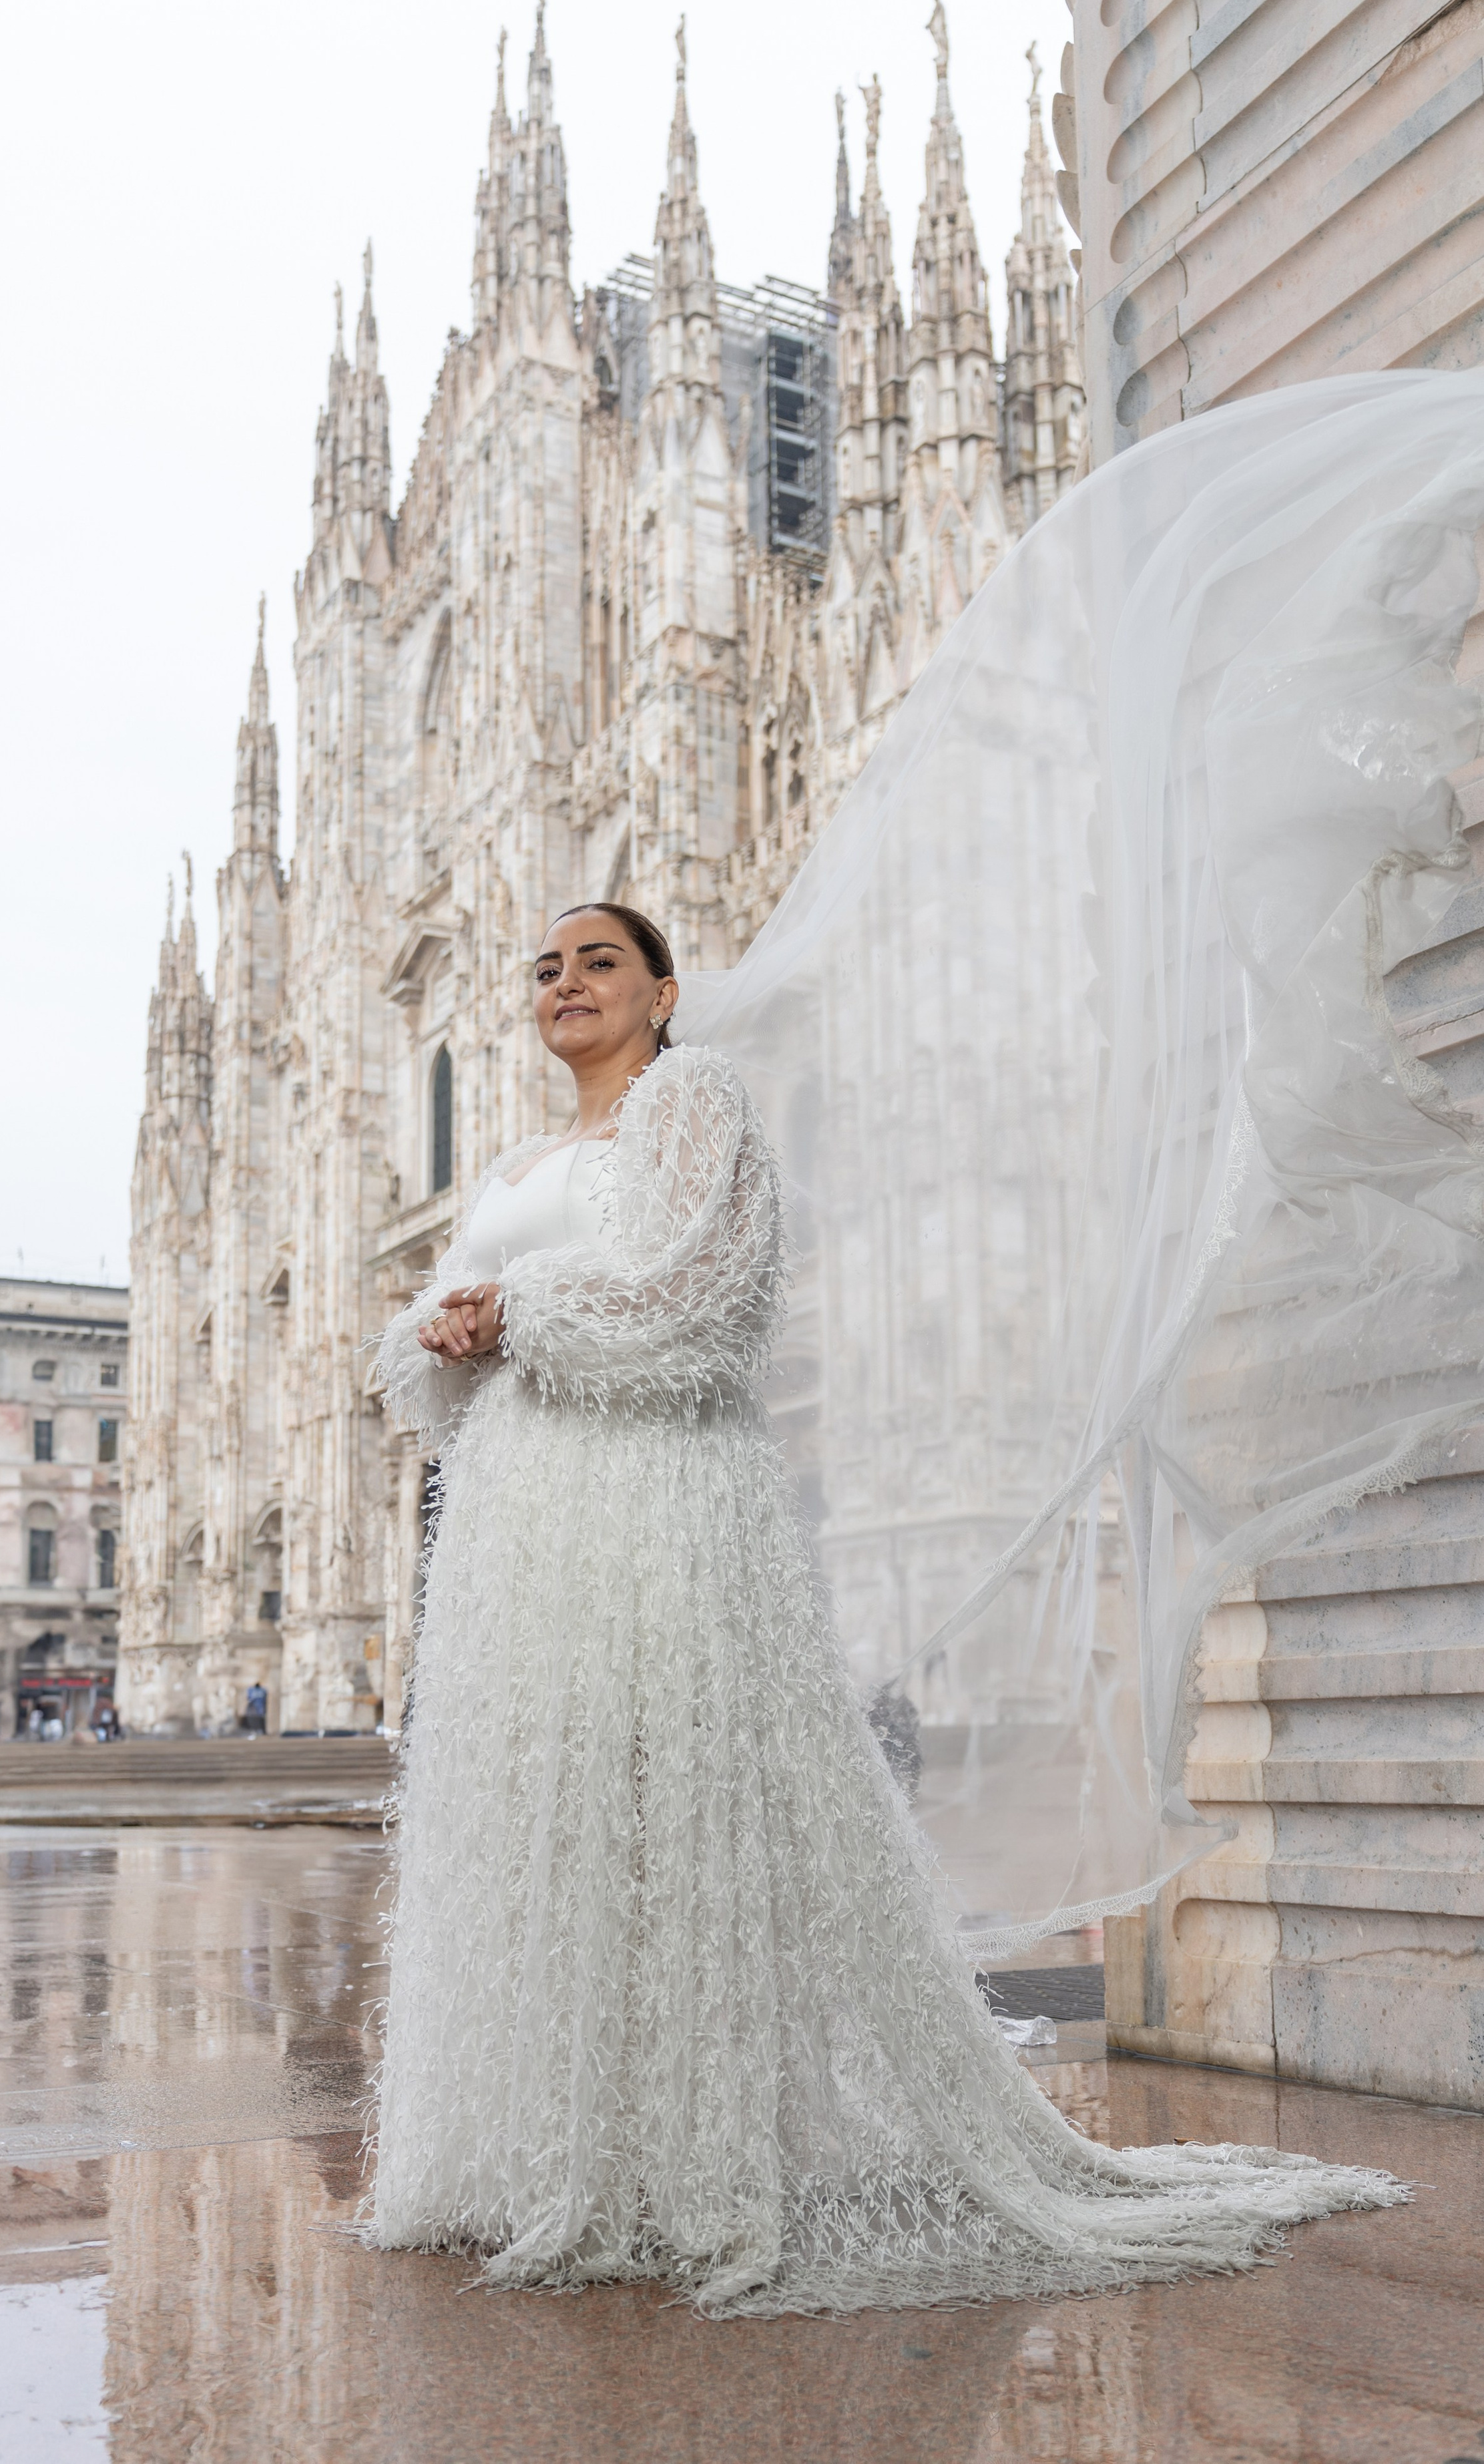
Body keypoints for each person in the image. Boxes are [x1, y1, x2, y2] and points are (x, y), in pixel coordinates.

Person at [368, 898, 1405, 2316]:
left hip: (655, 1506)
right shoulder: (510, 1161)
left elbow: (708, 1299)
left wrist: (518, 1312)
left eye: (598, 960)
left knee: (677, 1823)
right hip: (519, 1529)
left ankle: (700, 2163)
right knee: (553, 1834)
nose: (564, 983)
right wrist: (438, 1329)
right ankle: (564, 2157)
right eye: (542, 968)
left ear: (665, 993)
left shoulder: (695, 1102)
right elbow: (426, 1337)